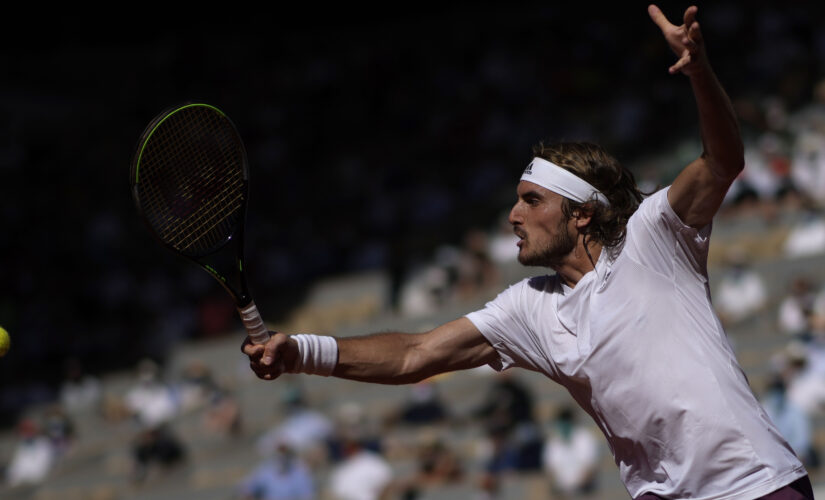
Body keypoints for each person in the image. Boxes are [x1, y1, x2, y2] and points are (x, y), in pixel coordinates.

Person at [243, 5, 814, 499]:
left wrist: (701, 75)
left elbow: (722, 163)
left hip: (754, 487)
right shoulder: (527, 309)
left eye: (531, 201)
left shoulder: (654, 237)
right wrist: (300, 353)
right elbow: (416, 353)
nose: (513, 216)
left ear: (581, 213)